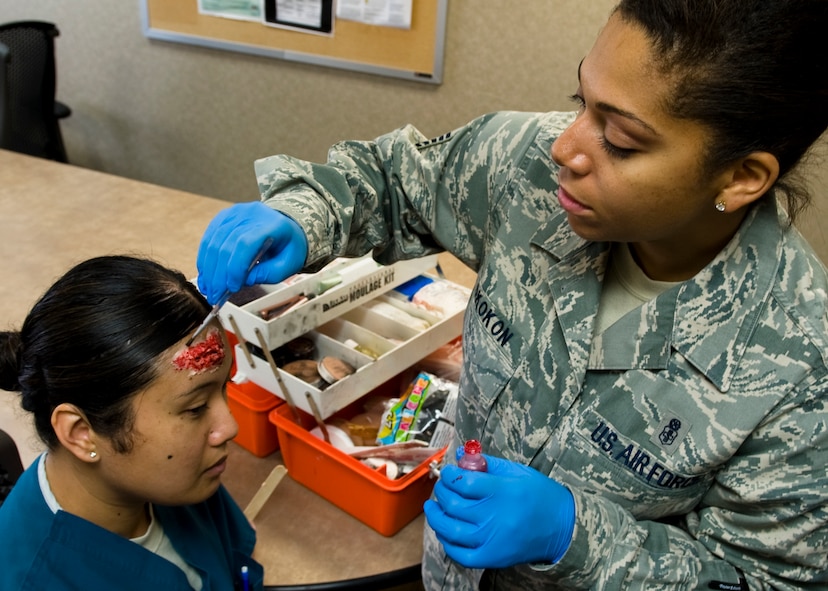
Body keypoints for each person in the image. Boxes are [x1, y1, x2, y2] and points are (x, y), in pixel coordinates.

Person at [195, 0, 828, 588]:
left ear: (742, 176)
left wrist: (575, 539)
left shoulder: (800, 364)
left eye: (622, 141)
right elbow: (392, 180)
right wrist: (306, 214)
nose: (565, 147)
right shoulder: (525, 166)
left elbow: (759, 579)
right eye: (581, 99)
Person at [0, 256, 263, 591]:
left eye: (223, 389)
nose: (229, 427)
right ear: (81, 434)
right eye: (196, 408)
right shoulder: (34, 579)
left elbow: (238, 560)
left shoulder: (184, 472)